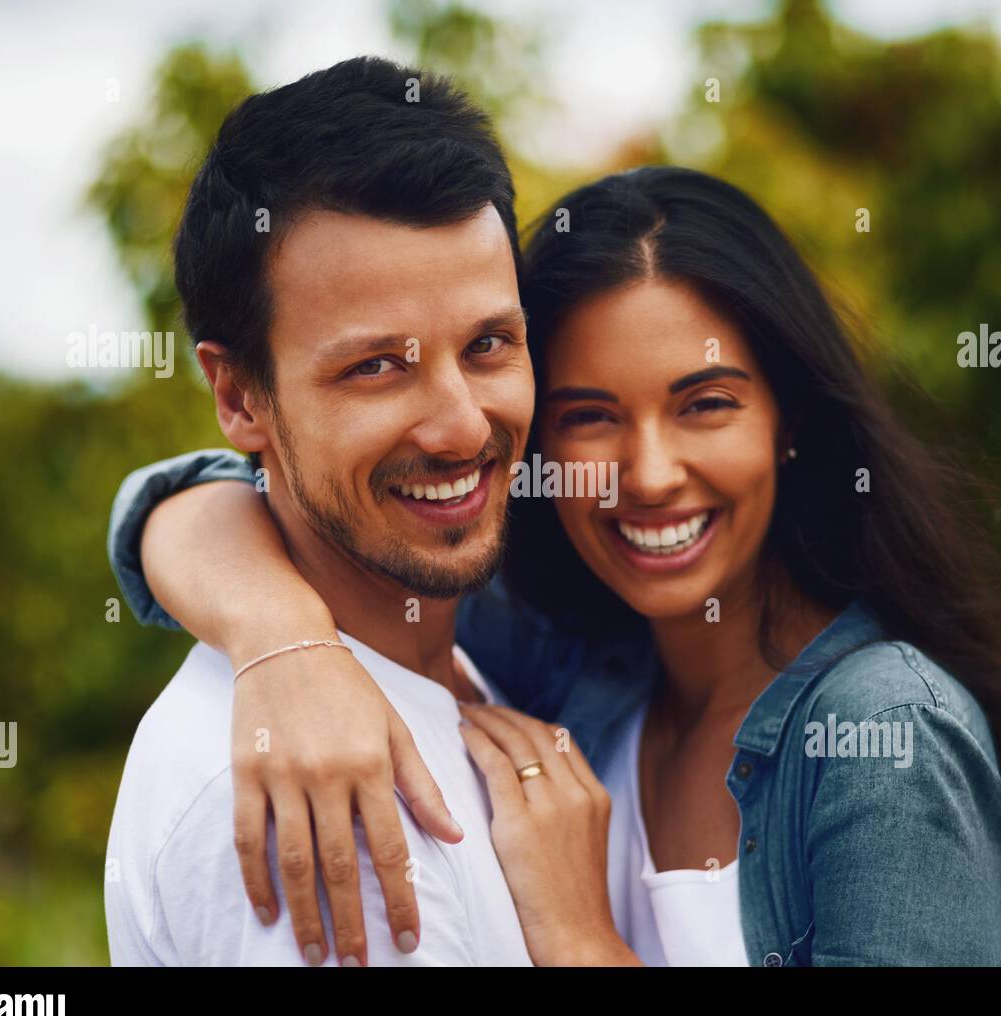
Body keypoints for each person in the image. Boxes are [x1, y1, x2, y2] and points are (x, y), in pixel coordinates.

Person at [111, 161, 1001, 965]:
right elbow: (194, 497)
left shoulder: (883, 736)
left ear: (787, 417)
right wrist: (284, 639)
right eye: (591, 414)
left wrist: (583, 937)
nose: (648, 475)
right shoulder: (563, 654)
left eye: (705, 404)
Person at [105, 55, 631, 967]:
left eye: (488, 344)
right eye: (375, 366)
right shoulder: (297, 796)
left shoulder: (472, 661)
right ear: (239, 398)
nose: (463, 425)